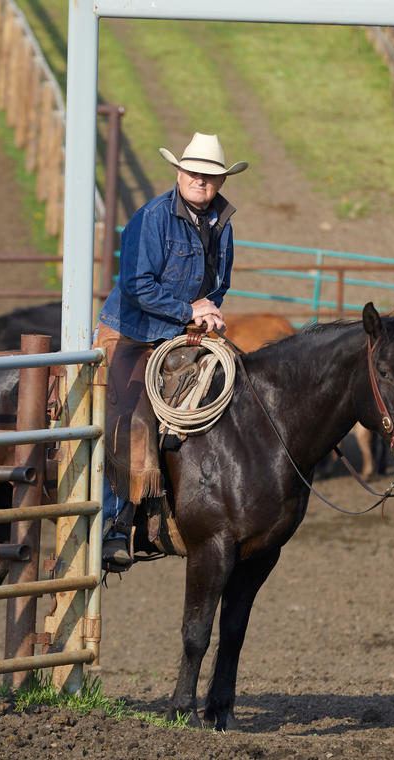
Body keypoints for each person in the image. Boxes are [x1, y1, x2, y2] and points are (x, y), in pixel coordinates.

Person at [94, 132, 248, 571]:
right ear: (179, 173)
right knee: (129, 414)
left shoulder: (222, 224)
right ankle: (114, 524)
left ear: (220, 181)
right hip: (130, 332)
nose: (201, 181)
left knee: (231, 386)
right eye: (194, 173)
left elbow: (219, 283)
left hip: (181, 332)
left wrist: (209, 311)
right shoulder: (151, 218)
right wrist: (189, 309)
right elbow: (136, 286)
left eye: (211, 176)